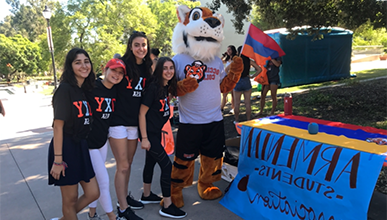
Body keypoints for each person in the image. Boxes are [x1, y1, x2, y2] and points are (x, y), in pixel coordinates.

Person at [48, 48, 99, 220]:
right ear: (70, 67)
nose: (84, 65)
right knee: (70, 200)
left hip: (81, 147)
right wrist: (58, 160)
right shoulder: (64, 90)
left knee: (93, 193)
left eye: (86, 61)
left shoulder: (82, 90)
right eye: (78, 62)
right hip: (66, 148)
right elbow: (57, 127)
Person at [109, 31, 152, 220]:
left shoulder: (148, 67)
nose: (141, 48)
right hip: (118, 121)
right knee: (123, 166)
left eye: (144, 45)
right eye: (137, 45)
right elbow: (108, 82)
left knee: (129, 164)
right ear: (130, 46)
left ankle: (123, 199)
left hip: (134, 124)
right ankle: (123, 210)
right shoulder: (122, 65)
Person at [138, 57, 187, 218]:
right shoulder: (153, 88)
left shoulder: (165, 88)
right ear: (159, 70)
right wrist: (144, 138)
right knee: (167, 166)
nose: (168, 71)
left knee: (150, 163)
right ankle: (167, 205)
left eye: (171, 68)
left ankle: (146, 195)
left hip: (156, 133)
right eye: (165, 68)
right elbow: (142, 113)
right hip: (149, 135)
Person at [85, 58, 125, 220]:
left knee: (97, 180)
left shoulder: (115, 91)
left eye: (120, 72)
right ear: (105, 70)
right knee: (103, 181)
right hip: (89, 142)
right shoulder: (92, 87)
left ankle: (92, 214)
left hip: (102, 141)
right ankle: (112, 216)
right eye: (113, 70)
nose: (116, 74)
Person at [233, 46, 261, 123]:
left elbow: (227, 70)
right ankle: (248, 119)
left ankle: (236, 120)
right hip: (246, 80)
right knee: (247, 103)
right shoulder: (249, 61)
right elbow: (259, 69)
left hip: (237, 81)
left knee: (237, 103)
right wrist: (252, 76)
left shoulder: (235, 61)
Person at [221, 45, 237, 113]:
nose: (228, 51)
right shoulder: (227, 59)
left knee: (233, 94)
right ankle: (221, 108)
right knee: (224, 94)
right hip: (226, 78)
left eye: (229, 50)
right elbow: (220, 61)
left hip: (232, 78)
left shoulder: (235, 59)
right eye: (227, 50)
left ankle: (233, 107)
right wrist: (224, 55)